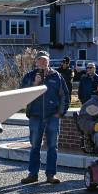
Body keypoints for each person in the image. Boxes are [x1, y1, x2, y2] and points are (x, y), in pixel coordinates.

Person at [20, 50, 70, 184]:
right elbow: (22, 94)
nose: (43, 62)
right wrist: (34, 84)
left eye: (45, 60)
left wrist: (60, 113)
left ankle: (51, 174)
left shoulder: (57, 76)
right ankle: (33, 174)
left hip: (52, 116)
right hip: (35, 116)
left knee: (52, 146)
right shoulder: (29, 76)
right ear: (36, 62)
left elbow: (65, 96)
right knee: (35, 145)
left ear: (49, 61)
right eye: (40, 60)